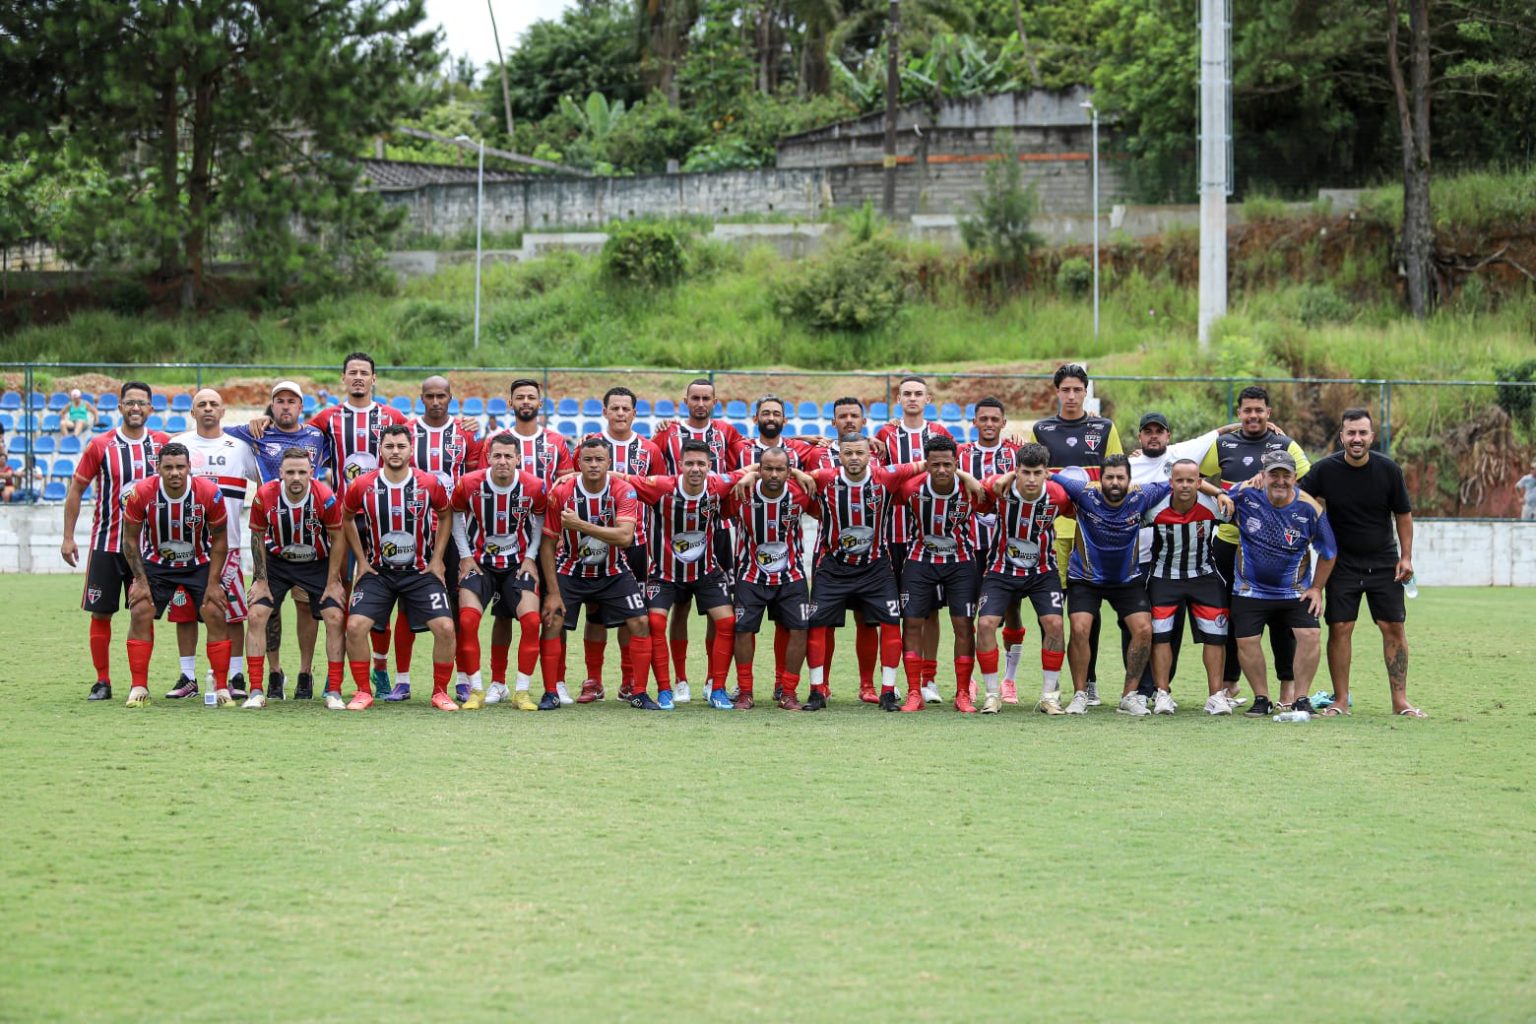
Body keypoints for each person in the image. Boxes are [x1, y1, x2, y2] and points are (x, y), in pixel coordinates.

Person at [1052, 454, 1228, 716]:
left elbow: (1186, 481)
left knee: (1145, 629)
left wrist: (1219, 492)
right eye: (1109, 477)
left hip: (1127, 579)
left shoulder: (1142, 496)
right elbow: (1046, 475)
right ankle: (1079, 694)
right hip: (1086, 578)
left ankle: (1129, 695)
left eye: (1120, 477)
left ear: (1129, 480)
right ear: (1100, 480)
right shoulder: (1083, 492)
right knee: (1080, 628)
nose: (1114, 482)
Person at [1298, 409, 1425, 717]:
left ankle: (1400, 701)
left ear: (1372, 436)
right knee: (1341, 627)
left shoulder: (1389, 470)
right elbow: (1296, 497)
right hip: (1341, 563)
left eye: (1362, 433)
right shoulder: (1325, 470)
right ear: (1341, 436)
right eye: (1350, 433)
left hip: (1384, 561)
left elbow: (1403, 516)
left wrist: (1406, 557)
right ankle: (1340, 700)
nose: (1356, 439)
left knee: (1393, 626)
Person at [1200, 385, 1311, 706]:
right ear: (1239, 413)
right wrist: (1220, 492)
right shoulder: (1223, 445)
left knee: (1280, 617)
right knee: (1229, 615)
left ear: (1269, 412)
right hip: (1228, 542)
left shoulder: (1285, 444)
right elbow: (1196, 476)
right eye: (1247, 410)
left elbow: (1307, 481)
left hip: (1274, 548)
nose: (1253, 416)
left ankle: (1287, 690)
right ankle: (1229, 684)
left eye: (1259, 410)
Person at [61, 381, 170, 701]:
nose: (136, 408)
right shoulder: (100, 444)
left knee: (144, 612)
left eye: (142, 403)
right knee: (101, 613)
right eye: (130, 403)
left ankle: (140, 683)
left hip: (148, 549)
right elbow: (77, 490)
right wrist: (68, 537)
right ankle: (102, 681)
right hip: (106, 545)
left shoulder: (163, 444)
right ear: (120, 407)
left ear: (151, 408)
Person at [339, 424, 458, 712]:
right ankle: (362, 692)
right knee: (355, 627)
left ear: (410, 449)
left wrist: (437, 559)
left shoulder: (429, 483)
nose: (395, 452)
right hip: (378, 573)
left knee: (445, 628)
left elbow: (445, 515)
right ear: (380, 449)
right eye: (389, 446)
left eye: (401, 446)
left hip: (419, 573)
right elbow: (345, 518)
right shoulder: (362, 485)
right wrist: (362, 561)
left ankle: (440, 692)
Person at [225, 380, 331, 698]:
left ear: (301, 406)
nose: (285, 406)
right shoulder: (256, 432)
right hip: (270, 533)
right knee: (267, 608)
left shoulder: (317, 436)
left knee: (303, 606)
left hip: (309, 533)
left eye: (292, 401)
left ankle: (305, 672)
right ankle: (274, 673)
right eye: (279, 401)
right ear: (271, 406)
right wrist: (252, 421)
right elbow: (216, 433)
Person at [804, 433, 921, 711]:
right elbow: (784, 472)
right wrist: (799, 473)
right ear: (839, 455)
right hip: (833, 566)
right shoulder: (823, 478)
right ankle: (816, 691)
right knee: (817, 625)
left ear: (870, 454)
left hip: (876, 567)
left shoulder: (886, 476)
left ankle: (888, 692)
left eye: (859, 453)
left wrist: (966, 478)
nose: (854, 458)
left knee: (892, 624)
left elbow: (930, 464)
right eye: (848, 453)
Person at [1028, 364, 1122, 707]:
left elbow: (1118, 472)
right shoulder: (1042, 429)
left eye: (1076, 390)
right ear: (1057, 392)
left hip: (1089, 534)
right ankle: (1051, 686)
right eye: (1065, 390)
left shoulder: (1103, 427)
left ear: (1086, 392)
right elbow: (1031, 477)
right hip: (1052, 533)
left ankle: (1090, 682)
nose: (1070, 396)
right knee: (1051, 614)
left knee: (1087, 612)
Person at [540, 438, 658, 710]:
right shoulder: (562, 492)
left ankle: (638, 692)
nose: (593, 465)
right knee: (552, 620)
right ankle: (551, 692)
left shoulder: (623, 490)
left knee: (640, 621)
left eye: (599, 460)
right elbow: (548, 545)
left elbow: (625, 537)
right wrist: (553, 592)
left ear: (609, 463)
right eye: (588, 460)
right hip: (571, 568)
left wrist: (580, 524)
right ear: (578, 463)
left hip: (613, 570)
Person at [621, 439, 740, 711]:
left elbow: (748, 472)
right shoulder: (661, 487)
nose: (695, 469)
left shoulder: (717, 485)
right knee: (655, 622)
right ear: (680, 465)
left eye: (701, 464)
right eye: (690, 463)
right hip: (665, 573)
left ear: (710, 466)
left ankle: (717, 688)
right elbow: (622, 477)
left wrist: (749, 479)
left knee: (727, 622)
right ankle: (665, 689)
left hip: (706, 572)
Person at [385, 375, 481, 703]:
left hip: (456, 532)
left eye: (442, 395)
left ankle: (463, 679)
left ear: (451, 398)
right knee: (403, 604)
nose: (436, 401)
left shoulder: (465, 432)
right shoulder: (407, 432)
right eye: (430, 396)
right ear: (421, 398)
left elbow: (470, 481)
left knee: (458, 605)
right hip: (412, 530)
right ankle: (402, 681)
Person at [651, 378, 749, 695]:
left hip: (717, 533)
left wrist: (805, 438)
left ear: (715, 401)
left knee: (717, 609)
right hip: (675, 533)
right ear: (685, 400)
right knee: (678, 608)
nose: (701, 403)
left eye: (706, 398)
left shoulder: (727, 432)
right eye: (695, 398)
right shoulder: (669, 432)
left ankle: (712, 679)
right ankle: (680, 680)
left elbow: (755, 452)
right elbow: (646, 458)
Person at [118, 443, 233, 707]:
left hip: (199, 563)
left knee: (215, 611)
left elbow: (219, 541)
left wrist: (214, 583)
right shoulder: (141, 493)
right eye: (168, 467)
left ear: (189, 468)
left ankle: (223, 687)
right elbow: (130, 541)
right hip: (157, 564)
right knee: (140, 610)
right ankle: (138, 687)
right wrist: (140, 581)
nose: (175, 473)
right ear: (158, 468)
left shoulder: (209, 493)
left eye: (180, 467)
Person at [167, 388, 261, 700]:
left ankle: (235, 675)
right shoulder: (179, 444)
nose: (208, 409)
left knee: (231, 612)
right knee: (184, 613)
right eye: (201, 405)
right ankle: (188, 676)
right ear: (192, 412)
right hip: (185, 548)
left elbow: (265, 486)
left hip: (229, 546)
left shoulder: (239, 448)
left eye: (214, 404)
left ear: (223, 411)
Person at [1228, 450, 1337, 717]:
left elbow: (1329, 552)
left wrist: (1317, 589)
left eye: (1285, 475)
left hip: (1294, 591)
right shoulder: (1245, 494)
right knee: (1247, 639)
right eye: (1273, 475)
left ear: (1295, 477)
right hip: (1249, 589)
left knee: (1310, 635)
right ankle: (1261, 698)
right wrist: (1234, 488)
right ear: (1263, 476)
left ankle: (1300, 698)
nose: (1280, 481)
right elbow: (1213, 495)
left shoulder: (1310, 508)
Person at [242, 449, 349, 709]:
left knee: (335, 618)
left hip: (316, 563)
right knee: (256, 614)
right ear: (281, 473)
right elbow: (257, 537)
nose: (296, 477)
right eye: (290, 472)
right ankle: (256, 690)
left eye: (302, 471)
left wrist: (334, 581)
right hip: (277, 563)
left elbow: (338, 539)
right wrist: (260, 580)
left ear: (312, 473)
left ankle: (334, 691)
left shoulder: (325, 498)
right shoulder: (264, 496)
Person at [888, 435, 986, 712]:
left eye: (947, 464)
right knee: (913, 623)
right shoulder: (911, 488)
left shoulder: (971, 490)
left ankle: (963, 693)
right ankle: (914, 692)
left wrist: (969, 477)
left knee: (964, 626)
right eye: (935, 465)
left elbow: (999, 497)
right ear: (926, 465)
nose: (942, 470)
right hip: (920, 560)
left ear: (956, 463)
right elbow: (885, 485)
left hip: (962, 563)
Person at [578, 386, 663, 704]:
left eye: (626, 408)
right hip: (595, 541)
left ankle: (629, 680)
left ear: (634, 413)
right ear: (605, 411)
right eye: (614, 408)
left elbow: (657, 494)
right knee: (594, 612)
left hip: (635, 542)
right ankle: (593, 681)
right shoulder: (589, 444)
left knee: (633, 612)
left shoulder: (649, 450)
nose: (620, 413)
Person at [452, 432, 548, 712]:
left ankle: (521, 692)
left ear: (518, 458)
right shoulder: (469, 484)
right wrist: (465, 555)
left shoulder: (534, 486)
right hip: (480, 564)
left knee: (531, 622)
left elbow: (541, 517)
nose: (503, 461)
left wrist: (531, 557)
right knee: (468, 622)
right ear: (488, 458)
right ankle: (477, 690)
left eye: (508, 456)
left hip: (518, 564)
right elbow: (455, 513)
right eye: (497, 455)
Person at [974, 442, 1071, 714]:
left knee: (1054, 623)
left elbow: (1082, 508)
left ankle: (1049, 696)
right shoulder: (1001, 489)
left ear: (1046, 473)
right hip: (1001, 570)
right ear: (1015, 471)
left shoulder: (1058, 496)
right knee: (986, 624)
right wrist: (1001, 478)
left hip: (1042, 571)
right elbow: (982, 488)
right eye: (1025, 472)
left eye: (1037, 473)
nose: (1030, 479)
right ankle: (992, 694)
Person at [875, 375, 953, 705]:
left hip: (930, 534)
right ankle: (900, 681)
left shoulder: (941, 434)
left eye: (918, 394)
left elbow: (950, 474)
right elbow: (882, 479)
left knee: (931, 611)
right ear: (898, 398)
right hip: (893, 532)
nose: (912, 398)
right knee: (898, 611)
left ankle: (929, 679)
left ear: (928, 399)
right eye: (906, 393)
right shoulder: (885, 434)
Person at [723, 446, 819, 710]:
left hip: (792, 575)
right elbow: (717, 503)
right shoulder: (741, 493)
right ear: (759, 469)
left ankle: (788, 692)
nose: (774, 474)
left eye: (780, 469)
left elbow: (827, 511)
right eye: (768, 468)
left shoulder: (801, 493)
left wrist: (803, 475)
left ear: (789, 472)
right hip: (750, 575)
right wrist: (745, 475)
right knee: (743, 630)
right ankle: (745, 692)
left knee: (799, 629)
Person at [499, 378, 575, 702]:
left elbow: (568, 482)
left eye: (531, 396)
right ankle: (498, 682)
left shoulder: (556, 442)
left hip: (549, 538)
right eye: (520, 397)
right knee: (503, 613)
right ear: (510, 403)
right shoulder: (498, 442)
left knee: (554, 610)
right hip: (508, 541)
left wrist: (560, 532)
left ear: (540, 403)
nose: (526, 401)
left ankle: (556, 681)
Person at [1144, 459, 1235, 714]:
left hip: (1204, 576)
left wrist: (1222, 494)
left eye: (1190, 480)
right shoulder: (1154, 509)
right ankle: (1162, 693)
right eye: (1179, 480)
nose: (1185, 485)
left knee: (1216, 636)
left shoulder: (1215, 506)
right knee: (1160, 636)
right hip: (1164, 577)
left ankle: (1216, 696)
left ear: (1199, 483)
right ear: (1171, 482)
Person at [958, 397, 1025, 700]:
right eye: (982, 419)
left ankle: (1009, 680)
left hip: (1007, 546)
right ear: (974, 422)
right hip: (970, 546)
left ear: (1003, 423)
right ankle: (971, 678)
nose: (988, 424)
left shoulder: (1016, 454)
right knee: (971, 614)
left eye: (993, 419)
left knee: (1012, 610)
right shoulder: (960, 455)